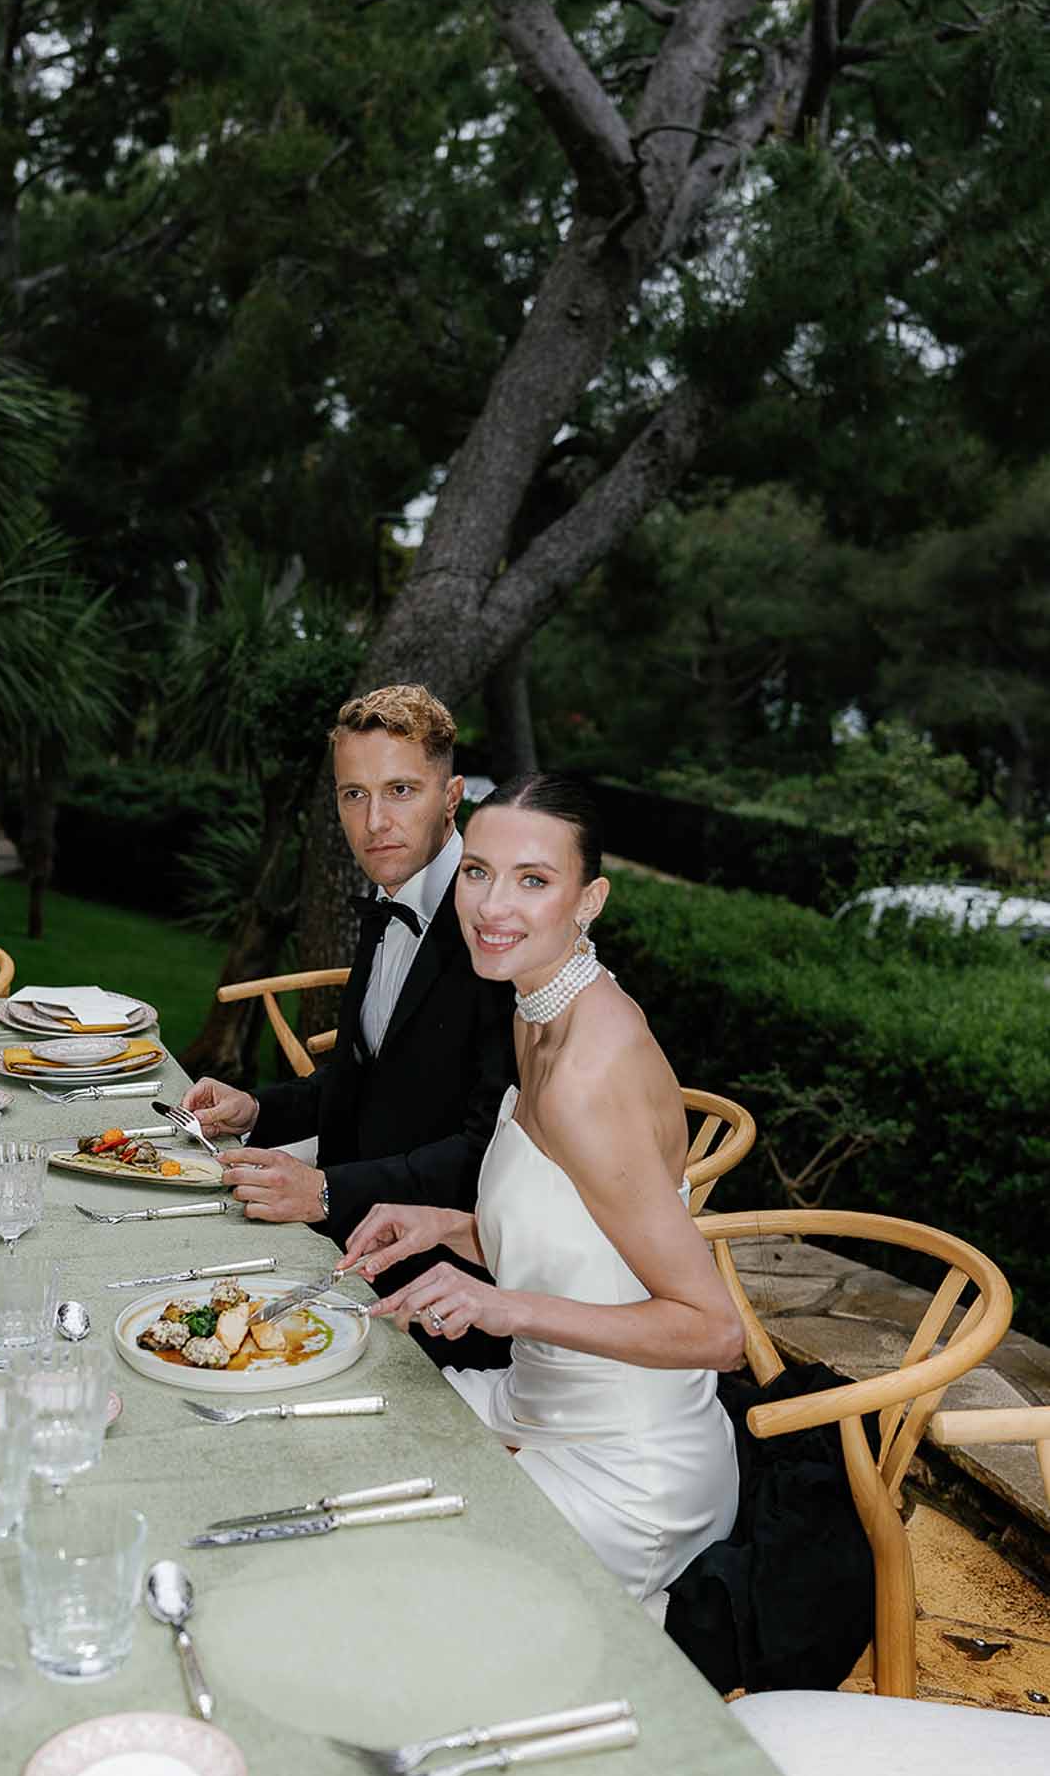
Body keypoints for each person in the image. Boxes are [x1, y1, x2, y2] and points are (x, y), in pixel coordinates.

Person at [339, 771, 744, 1602]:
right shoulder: (538, 1010)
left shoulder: (587, 1076)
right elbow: (585, 1237)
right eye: (479, 872)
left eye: (534, 881)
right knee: (341, 1427)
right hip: (536, 1400)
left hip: (627, 1467)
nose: (493, 908)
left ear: (589, 899)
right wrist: (448, 1227)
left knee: (381, 1573)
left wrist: (504, 1306)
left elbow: (715, 1333)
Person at [186, 684, 516, 1369]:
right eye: (353, 795)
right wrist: (256, 1109)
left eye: (401, 790)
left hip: (446, 1293)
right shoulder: (390, 899)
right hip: (347, 1243)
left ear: (451, 797)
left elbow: (489, 1155)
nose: (374, 823)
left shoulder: (495, 933)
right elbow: (363, 1077)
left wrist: (328, 1191)